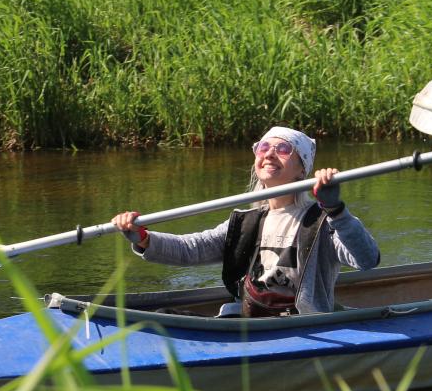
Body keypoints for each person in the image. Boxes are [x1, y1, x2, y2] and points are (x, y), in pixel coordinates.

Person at [112, 127, 380, 316]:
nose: (270, 154)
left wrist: (336, 210)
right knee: (164, 316)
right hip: (247, 321)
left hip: (300, 326)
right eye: (264, 147)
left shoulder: (323, 220)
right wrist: (145, 239)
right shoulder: (245, 222)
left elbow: (367, 259)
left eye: (283, 149)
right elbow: (190, 249)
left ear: (302, 168)